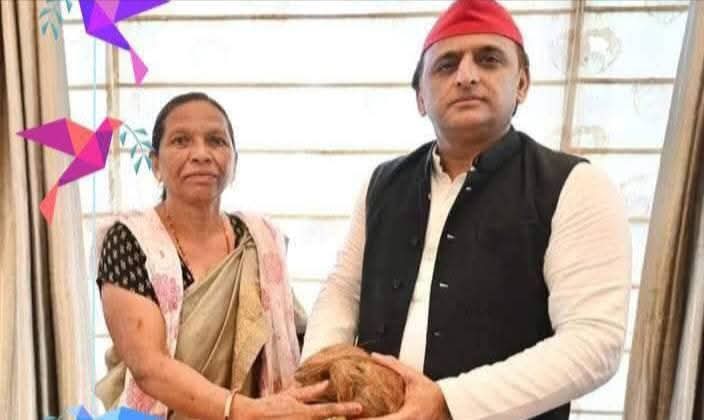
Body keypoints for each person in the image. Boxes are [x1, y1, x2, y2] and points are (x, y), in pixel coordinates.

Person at [301, 1, 631, 419]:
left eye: (489, 59)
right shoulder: (382, 183)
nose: (467, 75)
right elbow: (344, 289)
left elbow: (594, 341)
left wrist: (447, 403)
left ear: (522, 84)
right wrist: (320, 374)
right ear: (421, 97)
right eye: (446, 65)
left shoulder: (576, 185)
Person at [95, 92, 362, 420]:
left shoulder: (259, 239)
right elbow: (149, 366)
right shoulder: (130, 240)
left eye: (216, 141)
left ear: (234, 161)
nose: (201, 154)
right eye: (181, 141)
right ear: (155, 163)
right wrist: (246, 411)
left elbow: (290, 333)